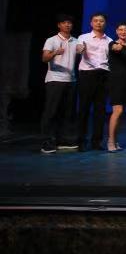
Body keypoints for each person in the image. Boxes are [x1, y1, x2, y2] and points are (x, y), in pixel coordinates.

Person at [39, 14, 79, 154]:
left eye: (69, 23)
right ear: (59, 25)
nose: (67, 25)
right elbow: (44, 58)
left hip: (71, 80)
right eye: (64, 22)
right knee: (51, 111)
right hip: (55, 79)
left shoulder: (75, 41)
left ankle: (63, 140)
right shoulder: (52, 40)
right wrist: (55, 52)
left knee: (67, 112)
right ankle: (47, 142)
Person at [76, 13, 111, 151]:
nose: (98, 23)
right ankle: (81, 141)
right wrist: (80, 49)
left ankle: (96, 141)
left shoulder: (109, 40)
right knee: (84, 108)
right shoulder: (83, 37)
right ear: (91, 23)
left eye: (101, 21)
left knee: (100, 110)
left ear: (105, 23)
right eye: (95, 21)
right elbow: (79, 48)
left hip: (103, 75)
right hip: (87, 74)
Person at [106, 21, 126, 152]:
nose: (123, 32)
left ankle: (115, 140)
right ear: (117, 31)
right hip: (115, 81)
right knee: (117, 110)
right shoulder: (113, 44)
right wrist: (117, 47)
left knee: (121, 112)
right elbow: (115, 48)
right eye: (120, 30)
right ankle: (110, 141)